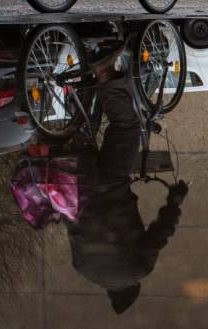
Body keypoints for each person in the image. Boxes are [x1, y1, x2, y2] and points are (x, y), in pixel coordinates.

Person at [66, 51, 188, 315]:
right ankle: (75, 82)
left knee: (126, 127)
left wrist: (174, 203)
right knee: (79, 134)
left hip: (109, 184)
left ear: (131, 287)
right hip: (76, 190)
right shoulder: (84, 270)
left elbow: (160, 234)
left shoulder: (137, 270)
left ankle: (105, 72)